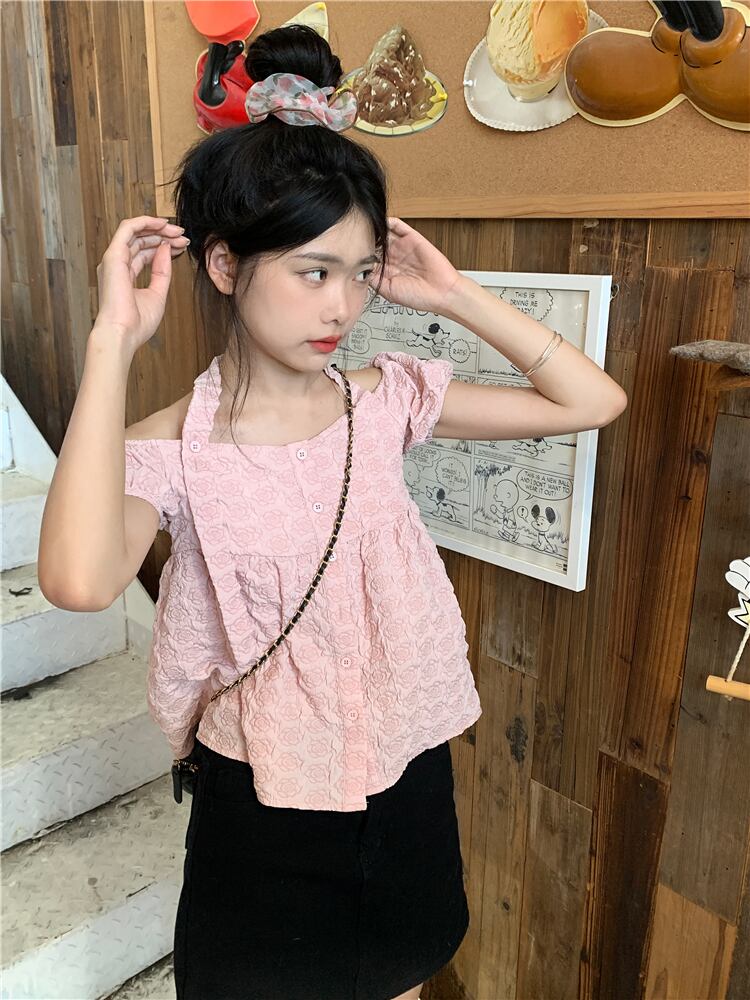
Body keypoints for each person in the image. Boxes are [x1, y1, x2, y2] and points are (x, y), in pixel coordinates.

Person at [37, 23, 627, 1000]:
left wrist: (454, 294)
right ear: (224, 265)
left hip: (405, 777)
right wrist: (112, 341)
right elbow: (78, 581)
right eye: (313, 271)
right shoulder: (169, 445)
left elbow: (591, 402)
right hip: (261, 805)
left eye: (359, 273)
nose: (342, 307)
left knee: (405, 978)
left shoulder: (386, 398)